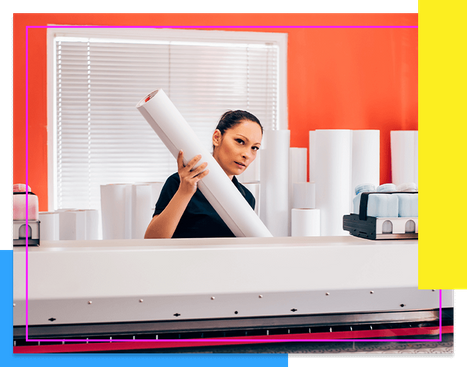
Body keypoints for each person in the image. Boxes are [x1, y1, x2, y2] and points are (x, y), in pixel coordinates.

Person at [144, 110, 263, 239]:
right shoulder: (178, 183)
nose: (247, 154)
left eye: (254, 148)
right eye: (240, 141)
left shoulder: (246, 198)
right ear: (217, 138)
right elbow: (152, 240)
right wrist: (184, 192)